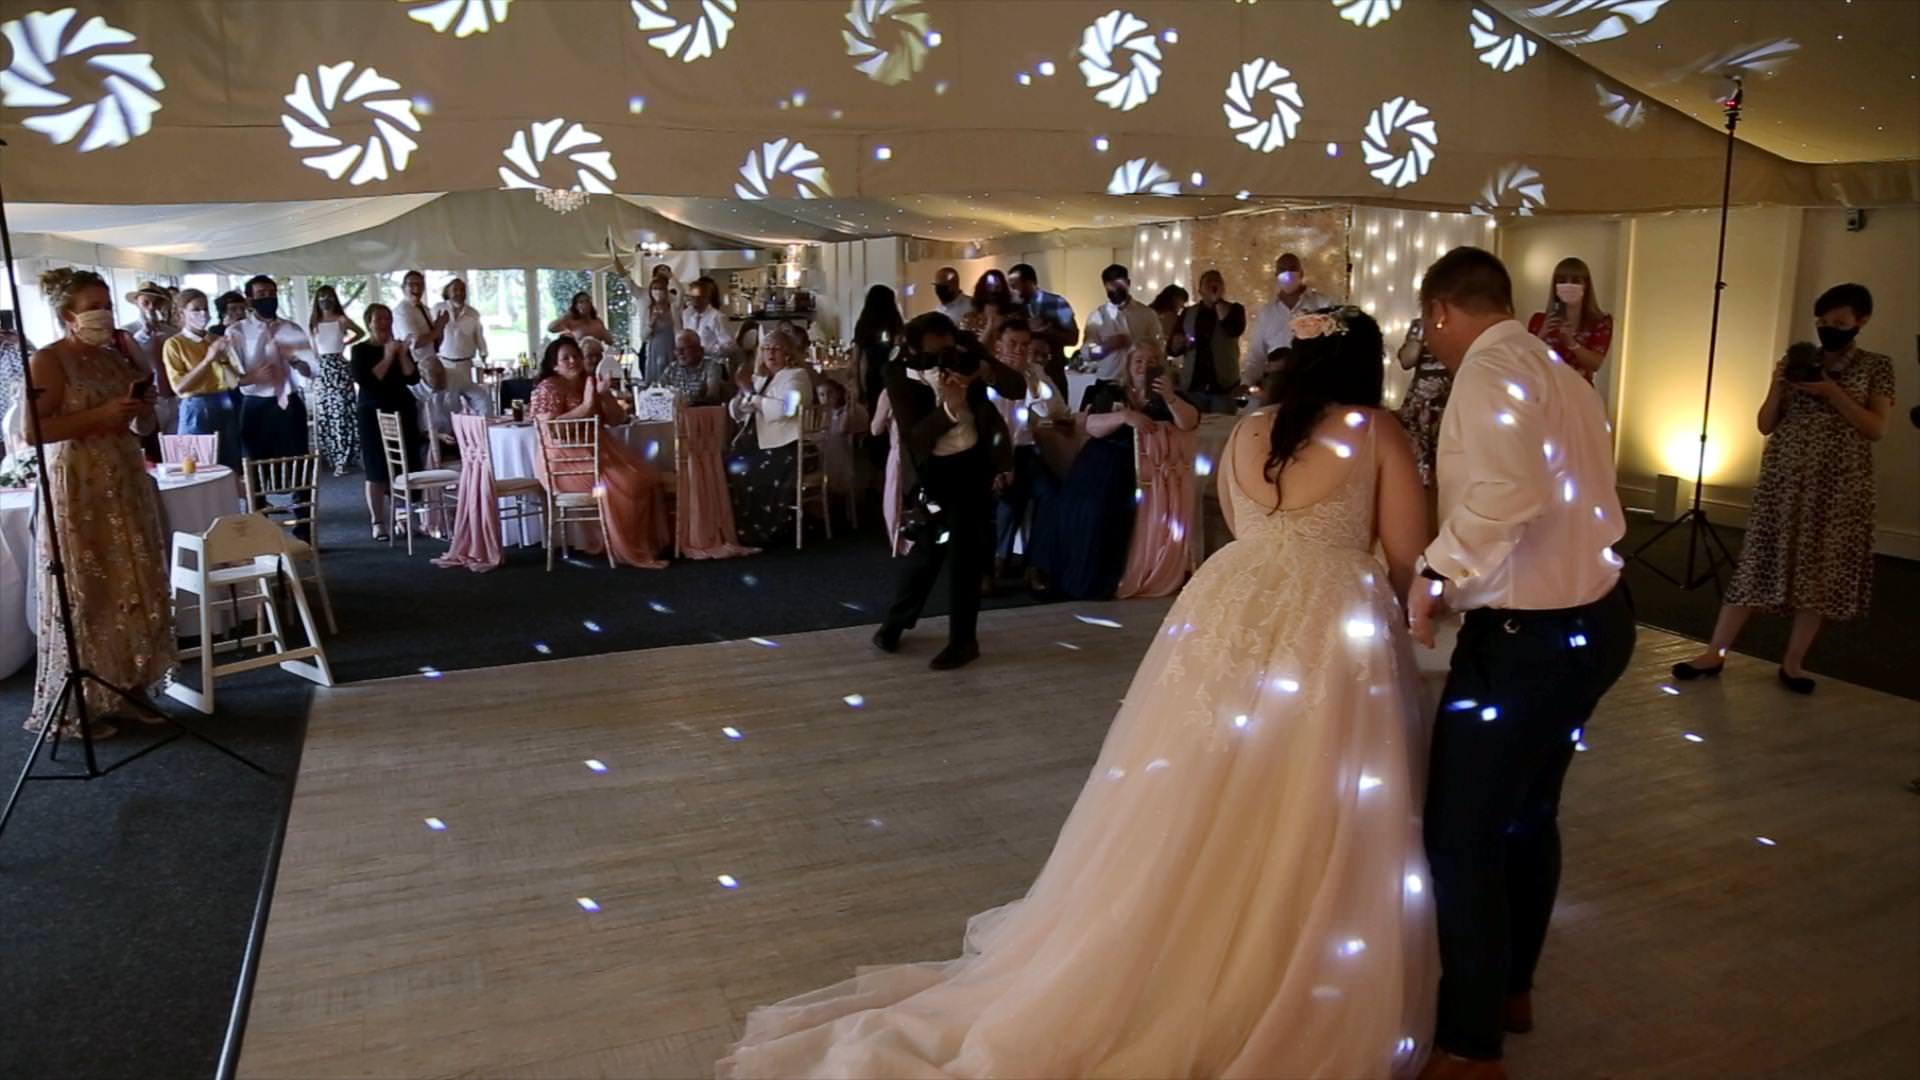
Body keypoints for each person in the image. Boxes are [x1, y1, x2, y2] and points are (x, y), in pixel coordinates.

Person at [720, 305, 1438, 1080]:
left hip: (1232, 608)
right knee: (1307, 789)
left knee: (1203, 781)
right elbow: (1409, 554)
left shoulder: (1248, 431)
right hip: (1328, 624)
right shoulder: (1377, 431)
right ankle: (1285, 947)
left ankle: (1191, 929)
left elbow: (1243, 524)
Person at [1404, 247, 1634, 1080]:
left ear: (1439, 312)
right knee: (1529, 814)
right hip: (1597, 621)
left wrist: (1435, 573)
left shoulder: (1490, 369)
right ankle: (1511, 990)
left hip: (1525, 639)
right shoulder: (1560, 370)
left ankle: (1471, 1047)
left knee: (1462, 836)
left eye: (1428, 326)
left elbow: (1509, 493)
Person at [1674, 283, 1894, 694]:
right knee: (1756, 561)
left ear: (1860, 321)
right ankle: (1714, 652)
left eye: (1839, 322)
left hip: (1839, 486)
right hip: (1784, 480)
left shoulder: (1876, 366)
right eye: (1823, 321)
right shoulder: (1800, 360)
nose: (1829, 329)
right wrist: (1779, 383)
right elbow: (1765, 424)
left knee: (1819, 572)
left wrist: (1833, 392)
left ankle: (1793, 662)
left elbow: (1876, 428)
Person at [23, 268, 172, 740]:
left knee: (131, 577)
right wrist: (100, 415)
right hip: (79, 481)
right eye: (93, 307)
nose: (104, 315)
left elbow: (143, 426)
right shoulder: (49, 360)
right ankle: (81, 704)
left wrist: (140, 405)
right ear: (68, 315)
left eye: (107, 305)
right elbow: (32, 430)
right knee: (90, 586)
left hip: (124, 476)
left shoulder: (114, 359)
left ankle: (130, 686)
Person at [870, 314, 1025, 671]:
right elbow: (915, 437)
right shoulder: (898, 372)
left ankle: (963, 642)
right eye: (934, 353)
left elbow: (1016, 387)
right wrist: (950, 409)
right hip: (934, 472)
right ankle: (895, 624)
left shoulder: (967, 351)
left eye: (947, 350)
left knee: (964, 558)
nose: (943, 359)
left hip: (974, 467)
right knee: (927, 551)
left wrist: (983, 371)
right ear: (915, 349)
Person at [1029, 338, 1198, 600]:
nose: (1144, 366)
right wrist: (1124, 416)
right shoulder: (1112, 392)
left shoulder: (1169, 397)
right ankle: (1060, 573)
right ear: (1128, 366)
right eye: (1138, 361)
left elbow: (1189, 422)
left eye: (1152, 361)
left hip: (1144, 469)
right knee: (1077, 505)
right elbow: (1091, 426)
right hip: (1104, 458)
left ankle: (1096, 579)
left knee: (1104, 508)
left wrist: (1170, 397)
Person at [529, 335, 669, 569]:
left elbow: (617, 419)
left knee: (643, 479)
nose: (573, 361)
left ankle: (641, 544)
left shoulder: (590, 381)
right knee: (626, 483)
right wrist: (586, 406)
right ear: (554, 365)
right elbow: (552, 429)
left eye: (576, 356)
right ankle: (628, 550)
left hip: (597, 453)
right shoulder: (548, 387)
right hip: (562, 460)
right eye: (566, 358)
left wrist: (604, 394)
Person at [989, 318, 1071, 583]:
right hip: (995, 454)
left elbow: (1053, 410)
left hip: (1025, 451)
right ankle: (998, 561)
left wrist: (1032, 382)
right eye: (1012, 344)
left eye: (1024, 345)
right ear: (998, 345)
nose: (1019, 350)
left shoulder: (1034, 372)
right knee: (1009, 497)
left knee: (1051, 494)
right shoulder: (989, 374)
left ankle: (1037, 563)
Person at [726, 328, 814, 547]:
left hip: (786, 445)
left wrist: (753, 396)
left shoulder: (797, 376)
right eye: (766, 349)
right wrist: (742, 396)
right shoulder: (761, 378)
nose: (770, 353)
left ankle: (764, 531)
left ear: (788, 353)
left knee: (751, 470)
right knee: (729, 464)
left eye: (776, 349)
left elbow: (786, 409)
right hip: (758, 443)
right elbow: (738, 410)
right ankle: (738, 529)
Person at [352, 304, 424, 541]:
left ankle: (404, 516)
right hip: (373, 412)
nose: (384, 323)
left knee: (406, 464)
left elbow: (412, 378)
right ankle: (378, 521)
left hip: (402, 409)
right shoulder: (360, 350)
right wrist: (388, 356)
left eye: (388, 318)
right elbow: (369, 380)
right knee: (377, 468)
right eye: (379, 319)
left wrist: (401, 354)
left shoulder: (399, 346)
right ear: (369, 323)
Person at [227, 274, 316, 463]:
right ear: (249, 300)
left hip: (290, 402)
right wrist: (253, 377)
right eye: (261, 294)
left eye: (272, 293)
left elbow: (312, 371)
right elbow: (230, 378)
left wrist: (298, 364)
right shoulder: (237, 332)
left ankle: (300, 484)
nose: (268, 298)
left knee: (298, 462)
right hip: (256, 405)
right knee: (258, 464)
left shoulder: (292, 329)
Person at [161, 288, 243, 471]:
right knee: (199, 464)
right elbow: (179, 387)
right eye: (196, 309)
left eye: (205, 308)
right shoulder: (174, 344)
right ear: (182, 312)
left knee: (230, 463)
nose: (203, 314)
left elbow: (233, 381)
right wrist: (208, 359)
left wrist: (223, 359)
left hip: (224, 402)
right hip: (196, 406)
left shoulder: (215, 339)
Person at [1246, 252, 1334, 392]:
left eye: (1292, 268)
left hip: (1312, 383)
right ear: (1276, 275)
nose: (1287, 274)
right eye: (1282, 269)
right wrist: (1247, 384)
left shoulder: (1323, 303)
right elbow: (1256, 356)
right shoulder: (1267, 313)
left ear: (1301, 273)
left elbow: (1333, 346)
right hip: (1276, 387)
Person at [1081, 263, 1163, 405]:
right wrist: (1106, 347)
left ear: (1128, 283)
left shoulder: (1147, 314)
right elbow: (1086, 353)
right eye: (1110, 285)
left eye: (1119, 284)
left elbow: (1159, 346)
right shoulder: (1097, 316)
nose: (1114, 289)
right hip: (1108, 382)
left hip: (1142, 382)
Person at [1525, 257, 1613, 385]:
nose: (1568, 285)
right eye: (1562, 281)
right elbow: (1526, 360)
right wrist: (1541, 335)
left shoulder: (1600, 322)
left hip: (1579, 389)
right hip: (1545, 389)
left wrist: (1572, 344)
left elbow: (1596, 364)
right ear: (1555, 286)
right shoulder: (1538, 321)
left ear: (1586, 286)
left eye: (1576, 281)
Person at [308, 284, 365, 476]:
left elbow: (360, 332)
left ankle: (346, 458)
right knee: (326, 414)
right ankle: (333, 458)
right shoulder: (314, 323)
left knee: (343, 412)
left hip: (339, 367)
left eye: (329, 296)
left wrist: (345, 343)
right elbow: (314, 350)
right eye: (322, 297)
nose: (326, 300)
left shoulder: (341, 320)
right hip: (322, 370)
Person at [1172, 268, 1246, 413]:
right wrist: (1179, 343)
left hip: (1223, 387)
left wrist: (1217, 301)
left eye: (1217, 281)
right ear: (1200, 290)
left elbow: (1234, 330)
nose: (1213, 284)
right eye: (1208, 282)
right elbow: (1173, 348)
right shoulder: (1188, 313)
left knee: (1222, 425)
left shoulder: (1235, 309)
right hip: (1194, 386)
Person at [1395, 317, 1452, 493]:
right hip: (1420, 400)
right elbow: (1406, 361)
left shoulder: (1463, 325)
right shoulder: (1420, 325)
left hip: (1448, 398)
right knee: (1417, 461)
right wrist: (1421, 334)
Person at [1008, 262, 1078, 403]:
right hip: (1021, 376)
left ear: (1029, 283)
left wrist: (1047, 331)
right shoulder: (1012, 308)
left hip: (1053, 373)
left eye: (1015, 285)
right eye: (1010, 285)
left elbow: (1073, 339)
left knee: (1058, 414)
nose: (1012, 290)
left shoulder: (1056, 302)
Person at [121, 280, 179, 437]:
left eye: (155, 303)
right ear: (137, 303)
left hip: (173, 396)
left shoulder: (171, 332)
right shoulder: (128, 331)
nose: (151, 307)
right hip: (150, 398)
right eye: (146, 302)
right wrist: (144, 333)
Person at [434, 277, 493, 416]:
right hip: (444, 363)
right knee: (449, 402)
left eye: (462, 290)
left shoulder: (473, 313)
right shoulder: (438, 308)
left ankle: (477, 425)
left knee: (475, 399)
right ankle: (451, 427)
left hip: (465, 364)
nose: (459, 293)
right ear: (448, 292)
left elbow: (479, 336)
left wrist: (484, 355)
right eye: (455, 290)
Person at [852, 283, 904, 410]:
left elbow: (856, 360)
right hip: (892, 372)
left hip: (871, 373)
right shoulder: (894, 322)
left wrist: (857, 385)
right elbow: (898, 348)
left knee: (874, 411)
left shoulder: (864, 324)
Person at [660, 330, 732, 405]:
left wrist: (686, 400)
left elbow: (711, 398)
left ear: (699, 350)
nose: (680, 353)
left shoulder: (711, 367)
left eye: (685, 348)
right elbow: (659, 390)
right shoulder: (672, 368)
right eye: (677, 349)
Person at [684, 276, 737, 370]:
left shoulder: (717, 317)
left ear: (706, 298)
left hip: (713, 365)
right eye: (692, 298)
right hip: (693, 366)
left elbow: (730, 346)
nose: (695, 301)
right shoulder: (687, 315)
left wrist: (705, 350)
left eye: (698, 298)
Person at [640, 270, 681, 385]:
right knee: (655, 381)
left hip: (671, 348)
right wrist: (651, 324)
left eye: (661, 288)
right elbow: (643, 337)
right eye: (655, 288)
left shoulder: (673, 308)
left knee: (672, 380)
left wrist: (671, 277)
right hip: (655, 350)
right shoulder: (648, 310)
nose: (658, 292)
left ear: (666, 290)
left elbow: (681, 292)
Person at [962, 268, 1015, 340]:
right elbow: (967, 345)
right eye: (989, 286)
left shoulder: (1013, 319)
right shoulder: (969, 319)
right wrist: (989, 327)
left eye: (997, 287)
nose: (993, 290)